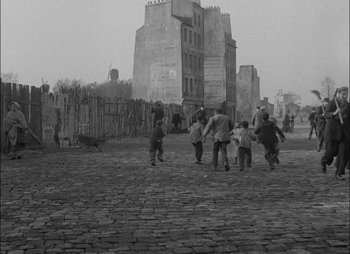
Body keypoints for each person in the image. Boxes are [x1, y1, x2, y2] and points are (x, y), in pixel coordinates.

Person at [321, 87, 349, 180]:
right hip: (332, 132)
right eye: (343, 94)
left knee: (343, 152)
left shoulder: (348, 105)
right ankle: (324, 161)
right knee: (330, 152)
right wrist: (334, 113)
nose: (345, 96)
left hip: (344, 133)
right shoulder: (333, 103)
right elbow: (325, 114)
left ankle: (339, 173)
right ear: (339, 94)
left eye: (347, 94)